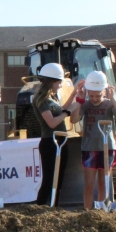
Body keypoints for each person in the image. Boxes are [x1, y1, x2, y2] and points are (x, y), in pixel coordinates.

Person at [70, 71, 116, 210]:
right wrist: (80, 99)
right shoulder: (85, 105)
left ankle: (103, 208)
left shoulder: (109, 104)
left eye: (98, 95)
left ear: (105, 91)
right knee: (89, 184)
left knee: (104, 183)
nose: (95, 99)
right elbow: (73, 119)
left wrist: (112, 98)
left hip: (107, 148)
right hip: (89, 148)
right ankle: (88, 211)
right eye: (91, 95)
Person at [33, 64, 79, 206]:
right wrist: (68, 113)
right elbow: (51, 122)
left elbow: (62, 109)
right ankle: (40, 207)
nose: (60, 85)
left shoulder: (52, 98)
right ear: (51, 81)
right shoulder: (42, 100)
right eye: (59, 82)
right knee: (49, 179)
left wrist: (74, 94)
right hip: (50, 142)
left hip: (60, 141)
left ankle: (54, 207)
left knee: (58, 180)